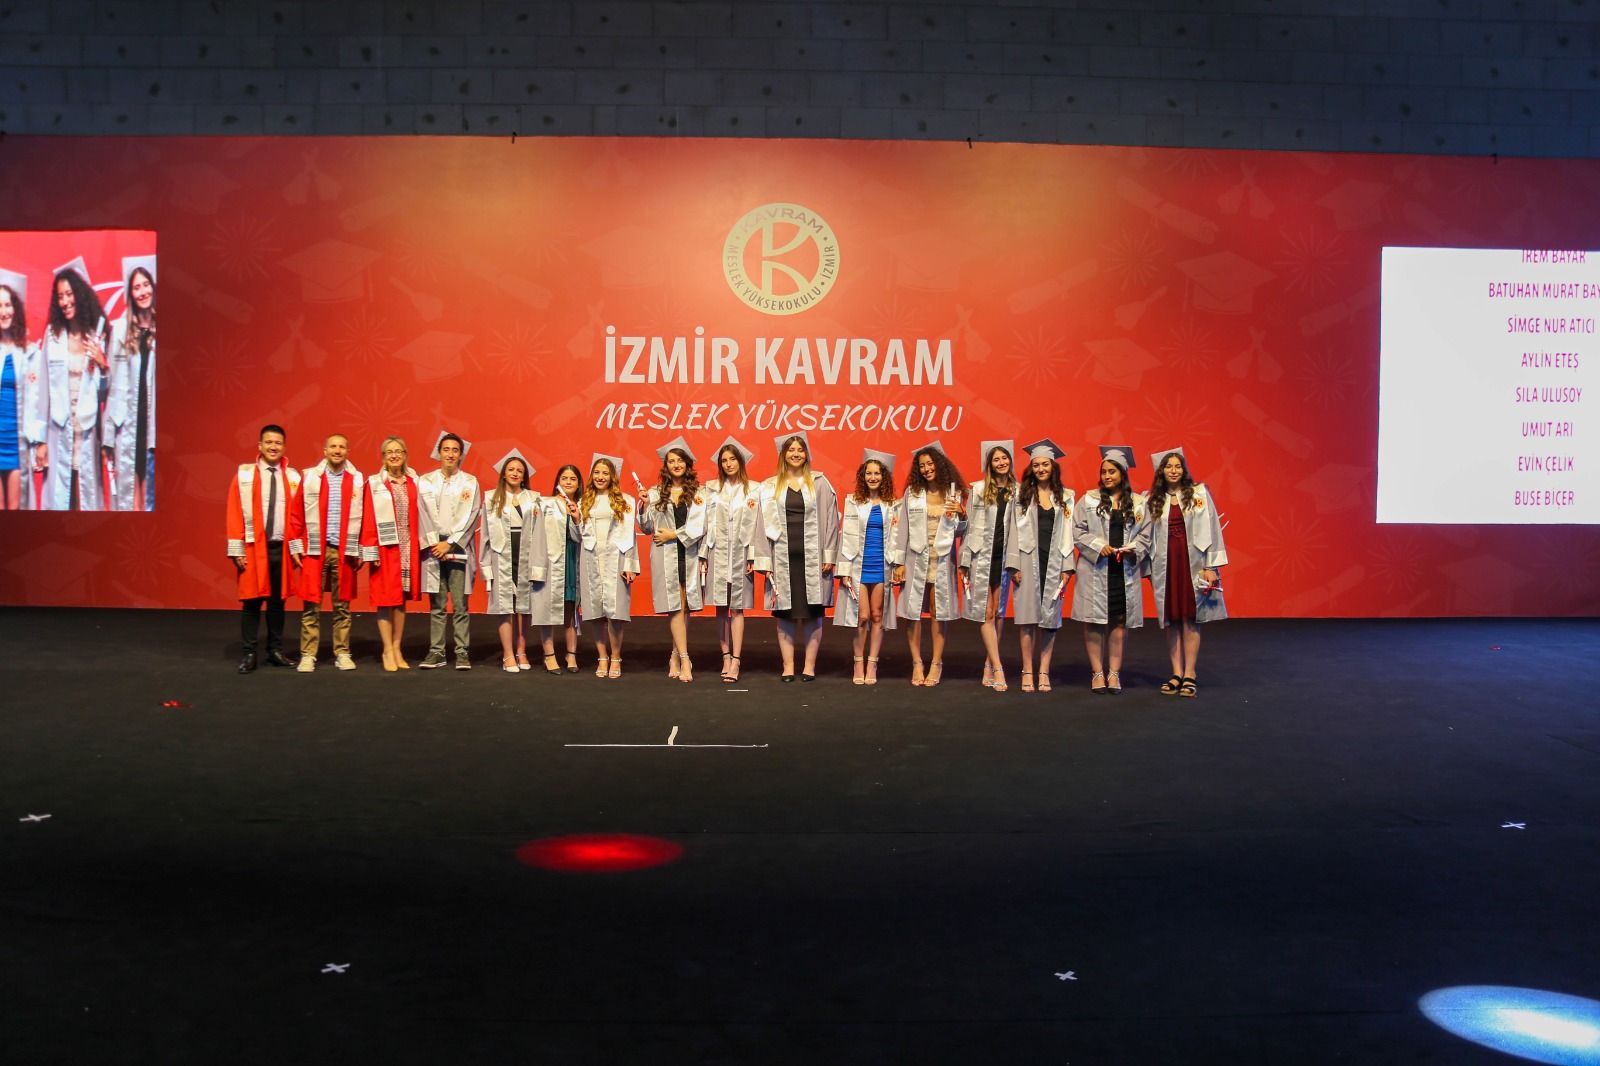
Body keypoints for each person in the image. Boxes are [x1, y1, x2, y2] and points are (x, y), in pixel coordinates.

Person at [755, 432, 839, 682]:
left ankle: (809, 667)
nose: (795, 454)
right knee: (785, 612)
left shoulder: (820, 483)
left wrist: (829, 554)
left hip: (813, 558)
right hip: (782, 557)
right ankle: (788, 666)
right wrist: (764, 560)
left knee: (813, 611)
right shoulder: (770, 486)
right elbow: (760, 524)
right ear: (783, 455)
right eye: (790, 450)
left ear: (807, 454)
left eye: (800, 449)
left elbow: (831, 520)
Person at [1146, 448, 1228, 698]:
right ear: (1161, 471)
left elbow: (1213, 529)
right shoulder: (1152, 500)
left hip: (1193, 562)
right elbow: (1146, 538)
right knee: (1171, 618)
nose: (1173, 471)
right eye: (1168, 466)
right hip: (1166, 564)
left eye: (1177, 466)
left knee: (1191, 618)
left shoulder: (1199, 494)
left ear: (1183, 470)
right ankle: (1176, 672)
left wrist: (1211, 567)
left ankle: (1190, 673)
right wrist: (1148, 569)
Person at [1072, 446, 1152, 695]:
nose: (1107, 476)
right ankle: (1097, 672)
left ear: (1123, 474)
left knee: (1119, 620)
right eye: (1104, 472)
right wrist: (1098, 546)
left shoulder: (1139, 503)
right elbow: (1077, 531)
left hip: (1123, 568)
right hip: (1096, 567)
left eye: (1112, 472)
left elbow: (1146, 536)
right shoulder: (1089, 499)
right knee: (1094, 620)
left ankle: (1114, 672)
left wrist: (1133, 549)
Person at [287, 433, 364, 672]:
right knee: (311, 605)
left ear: (348, 451)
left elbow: (365, 518)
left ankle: (342, 652)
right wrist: (295, 545)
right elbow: (296, 514)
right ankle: (308, 654)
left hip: (344, 550)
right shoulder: (311, 477)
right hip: (315, 549)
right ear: (325, 451)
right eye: (333, 446)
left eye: (342, 447)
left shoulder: (357, 480)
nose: (337, 450)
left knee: (343, 606)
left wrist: (361, 549)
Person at [226, 424, 300, 673]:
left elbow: (297, 518)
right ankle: (249, 653)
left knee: (277, 602)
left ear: (284, 447)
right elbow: (234, 513)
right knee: (252, 602)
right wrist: (237, 549)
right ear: (260, 445)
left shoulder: (293, 478)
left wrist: (296, 548)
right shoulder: (244, 476)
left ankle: (274, 651)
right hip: (253, 548)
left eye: (278, 443)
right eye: (269, 442)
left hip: (281, 547)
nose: (273, 447)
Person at [892, 441, 967, 686]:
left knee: (938, 611)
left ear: (940, 465)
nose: (926, 469)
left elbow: (960, 532)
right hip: (915, 557)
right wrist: (899, 563)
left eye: (930, 464)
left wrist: (963, 515)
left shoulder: (953, 494)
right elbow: (902, 529)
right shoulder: (912, 493)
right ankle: (917, 662)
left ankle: (936, 663)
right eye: (922, 466)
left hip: (942, 559)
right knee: (912, 612)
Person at [1005, 439, 1075, 693]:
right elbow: (1012, 530)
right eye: (1036, 465)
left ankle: (1044, 670)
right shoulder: (1021, 496)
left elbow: (1070, 533)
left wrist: (1067, 567)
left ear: (1053, 466)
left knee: (1050, 619)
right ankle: (1027, 670)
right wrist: (1013, 564)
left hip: (1054, 560)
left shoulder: (1066, 497)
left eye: (1045, 464)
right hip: (1027, 560)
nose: (1041, 469)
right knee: (1027, 618)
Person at [40, 260, 109, 511]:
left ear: (79, 295)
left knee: (85, 499)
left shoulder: (97, 336)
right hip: (59, 429)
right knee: (60, 500)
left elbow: (105, 394)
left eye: (69, 294)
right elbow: (43, 389)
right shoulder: (53, 335)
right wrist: (40, 440)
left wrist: (102, 364)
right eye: (60, 296)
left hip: (87, 430)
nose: (65, 301)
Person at [637, 436, 706, 682]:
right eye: (671, 461)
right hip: (665, 555)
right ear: (665, 466)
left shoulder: (699, 492)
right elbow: (647, 528)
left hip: (689, 553)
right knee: (675, 606)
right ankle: (685, 658)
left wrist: (672, 535)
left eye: (680, 460)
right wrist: (644, 506)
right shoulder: (655, 493)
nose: (676, 465)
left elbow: (700, 526)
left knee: (685, 606)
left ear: (687, 464)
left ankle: (675, 654)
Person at [417, 431, 481, 670]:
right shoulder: (425, 481)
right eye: (446, 449)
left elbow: (472, 516)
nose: (451, 454)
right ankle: (436, 651)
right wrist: (436, 543)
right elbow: (422, 514)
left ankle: (462, 652)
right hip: (434, 547)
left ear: (461, 455)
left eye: (455, 450)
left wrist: (450, 543)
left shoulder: (470, 482)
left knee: (460, 604)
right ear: (439, 452)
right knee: (437, 604)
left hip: (458, 547)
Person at [360, 436, 425, 672]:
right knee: (384, 599)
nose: (394, 455)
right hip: (385, 548)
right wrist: (371, 548)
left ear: (405, 455)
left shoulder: (414, 482)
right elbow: (368, 517)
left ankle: (397, 648)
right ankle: (387, 649)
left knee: (401, 600)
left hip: (407, 547)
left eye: (398, 451)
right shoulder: (375, 483)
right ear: (384, 457)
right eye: (390, 452)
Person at [700, 437, 761, 683]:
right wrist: (703, 554)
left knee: (737, 607)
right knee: (720, 606)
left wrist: (753, 555)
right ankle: (725, 655)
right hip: (717, 552)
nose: (728, 464)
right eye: (724, 460)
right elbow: (705, 523)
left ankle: (736, 659)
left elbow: (758, 525)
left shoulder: (754, 490)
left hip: (742, 553)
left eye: (733, 459)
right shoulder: (711, 489)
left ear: (741, 461)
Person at [835, 449, 898, 685]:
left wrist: (898, 565)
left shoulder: (894, 505)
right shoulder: (853, 502)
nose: (873, 477)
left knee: (877, 615)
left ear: (884, 477)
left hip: (882, 565)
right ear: (863, 476)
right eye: (869, 473)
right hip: (858, 565)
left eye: (877, 473)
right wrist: (844, 569)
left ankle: (872, 663)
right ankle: (858, 662)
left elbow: (899, 537)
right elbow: (845, 536)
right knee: (861, 616)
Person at [959, 440, 1018, 692]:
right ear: (989, 464)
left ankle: (988, 664)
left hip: (1005, 556)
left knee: (998, 611)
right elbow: (969, 525)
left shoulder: (1019, 491)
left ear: (1010, 461)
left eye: (1004, 458)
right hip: (981, 556)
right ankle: (998, 667)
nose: (1001, 462)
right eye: (996, 459)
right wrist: (964, 560)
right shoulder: (979, 489)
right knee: (986, 612)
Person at [102, 257, 157, 512]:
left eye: (146, 285)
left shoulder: (165, 327)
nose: (143, 291)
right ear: (130, 294)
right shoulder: (121, 329)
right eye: (137, 287)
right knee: (130, 502)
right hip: (128, 424)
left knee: (153, 500)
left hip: (154, 425)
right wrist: (108, 437)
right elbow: (113, 386)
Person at [577, 454, 639, 677]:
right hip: (591, 559)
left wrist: (630, 564)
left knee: (615, 613)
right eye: (597, 472)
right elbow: (577, 534)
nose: (600, 477)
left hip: (617, 560)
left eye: (605, 473)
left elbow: (630, 536)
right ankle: (602, 656)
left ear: (612, 476)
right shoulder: (583, 501)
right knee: (595, 612)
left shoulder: (625, 501)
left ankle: (616, 656)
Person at [480, 449, 539, 674]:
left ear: (524, 476)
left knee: (525, 605)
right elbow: (485, 535)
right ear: (503, 473)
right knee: (505, 605)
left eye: (519, 471)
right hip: (501, 555)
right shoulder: (491, 498)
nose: (515, 473)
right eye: (511, 469)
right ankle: (507, 653)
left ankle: (521, 651)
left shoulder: (533, 498)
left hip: (526, 553)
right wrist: (486, 568)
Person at [530, 463, 583, 674]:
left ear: (579, 484)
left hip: (573, 560)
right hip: (552, 563)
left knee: (571, 610)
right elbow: (537, 537)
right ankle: (549, 655)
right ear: (558, 482)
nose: (568, 482)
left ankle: (571, 654)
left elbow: (584, 536)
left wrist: (577, 518)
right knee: (548, 609)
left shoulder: (583, 505)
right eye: (564, 478)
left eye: (573, 479)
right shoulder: (546, 504)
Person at [0, 269, 34, 510]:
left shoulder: (29, 351)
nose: (4, 312)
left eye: (8, 304)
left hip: (15, 440)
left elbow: (37, 399)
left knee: (15, 510)